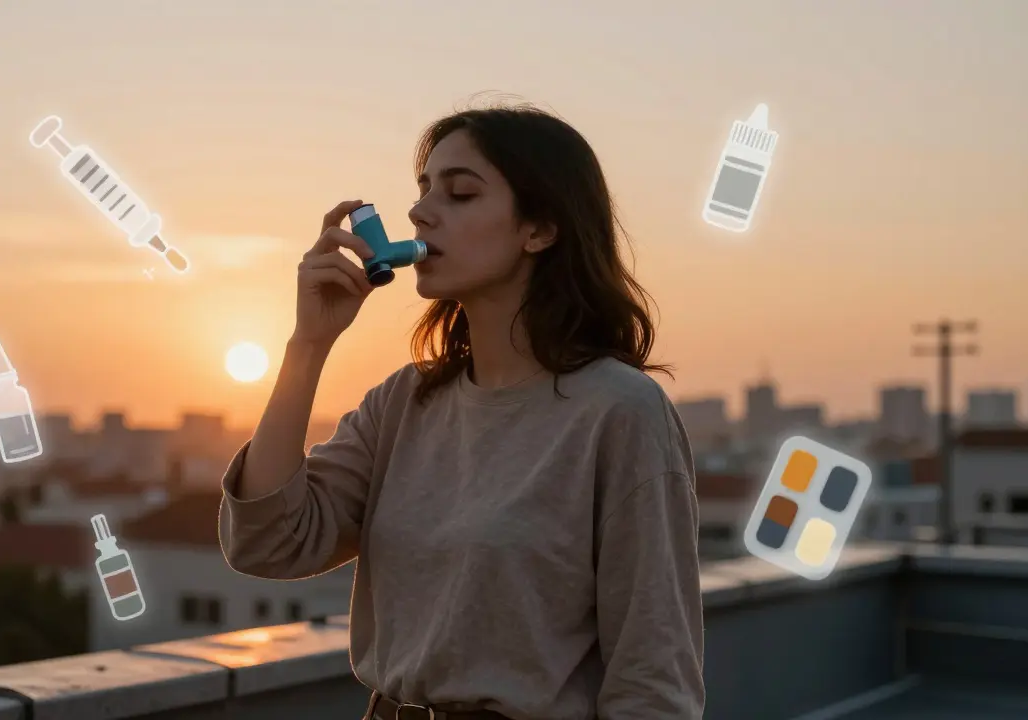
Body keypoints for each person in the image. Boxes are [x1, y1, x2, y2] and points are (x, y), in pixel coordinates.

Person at [218, 103, 705, 720]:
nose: (421, 210)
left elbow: (654, 679)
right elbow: (268, 545)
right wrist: (307, 346)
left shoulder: (621, 413)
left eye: (460, 193)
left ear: (540, 229)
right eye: (422, 190)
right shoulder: (402, 404)